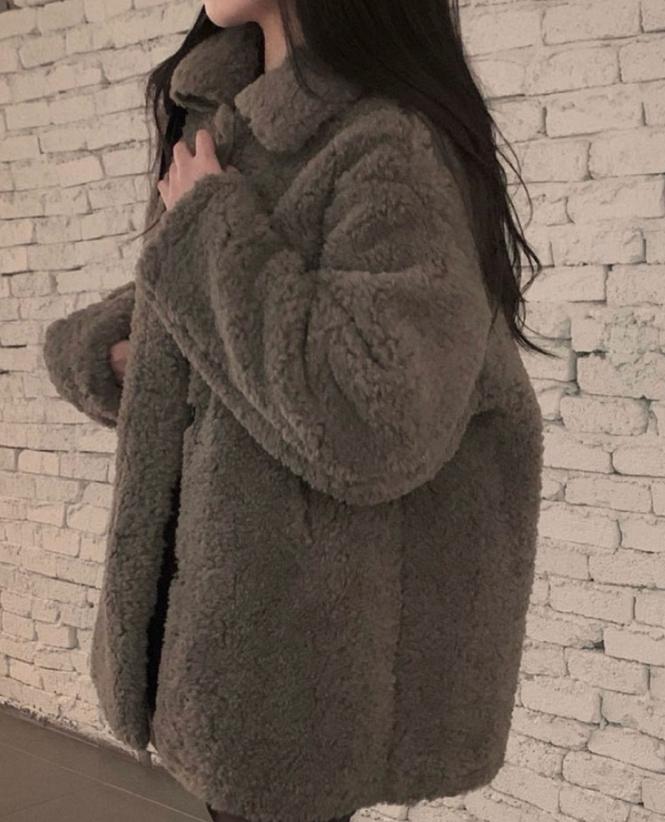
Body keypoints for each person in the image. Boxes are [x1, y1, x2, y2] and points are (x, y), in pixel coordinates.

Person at [42, 1, 551, 820]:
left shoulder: (390, 145)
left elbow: (376, 417)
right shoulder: (223, 118)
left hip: (309, 663)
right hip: (235, 638)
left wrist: (206, 230)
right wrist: (112, 348)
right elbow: (229, 305)